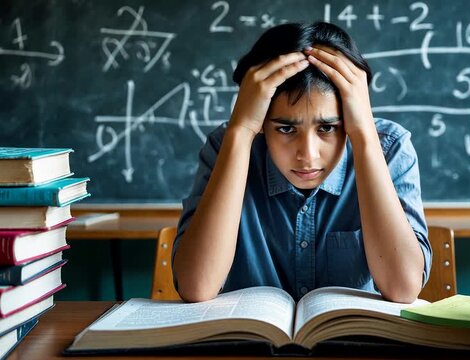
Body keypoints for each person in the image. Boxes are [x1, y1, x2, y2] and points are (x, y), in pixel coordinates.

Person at [172, 22, 431, 303]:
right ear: (261, 123)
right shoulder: (228, 146)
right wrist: (240, 130)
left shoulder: (389, 147)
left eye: (327, 128)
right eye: (285, 129)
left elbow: (403, 288)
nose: (308, 155)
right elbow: (196, 286)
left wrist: (364, 135)